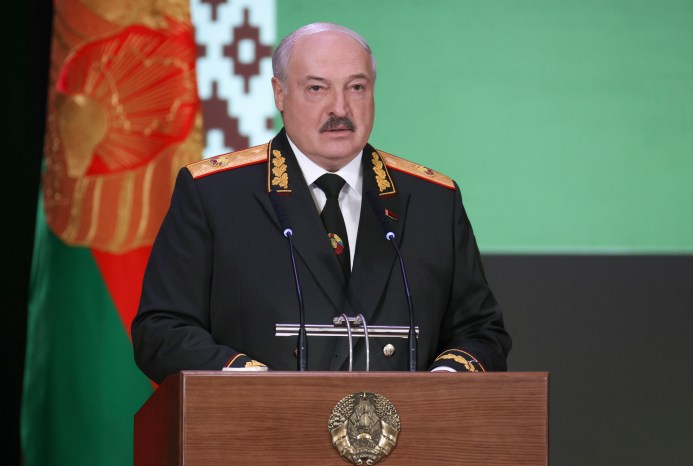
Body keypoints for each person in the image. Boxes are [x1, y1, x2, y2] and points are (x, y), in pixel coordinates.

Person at [132, 22, 511, 384]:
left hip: (404, 436)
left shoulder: (433, 201)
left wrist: (443, 386)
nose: (340, 108)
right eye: (317, 89)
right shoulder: (214, 194)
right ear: (279, 93)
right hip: (263, 435)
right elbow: (162, 330)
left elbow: (481, 332)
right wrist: (248, 383)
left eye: (357, 87)